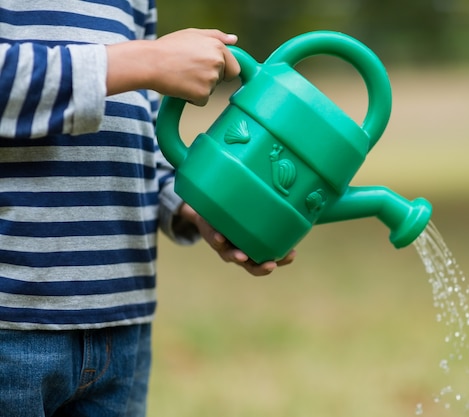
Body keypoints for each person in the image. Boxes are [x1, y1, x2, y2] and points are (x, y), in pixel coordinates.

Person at [0, 1, 295, 416]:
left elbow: (141, 127)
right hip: (11, 325)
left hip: (122, 322)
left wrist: (195, 207)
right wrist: (143, 60)